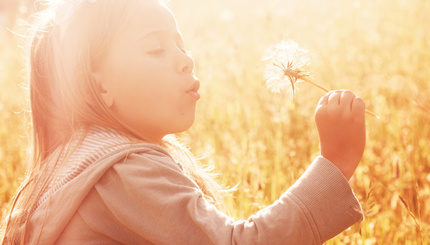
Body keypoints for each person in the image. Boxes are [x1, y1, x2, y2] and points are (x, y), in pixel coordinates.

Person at [0, 0, 366, 244]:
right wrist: (335, 162)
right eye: (156, 49)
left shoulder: (72, 165)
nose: (185, 61)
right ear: (98, 83)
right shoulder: (127, 170)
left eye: (181, 46)